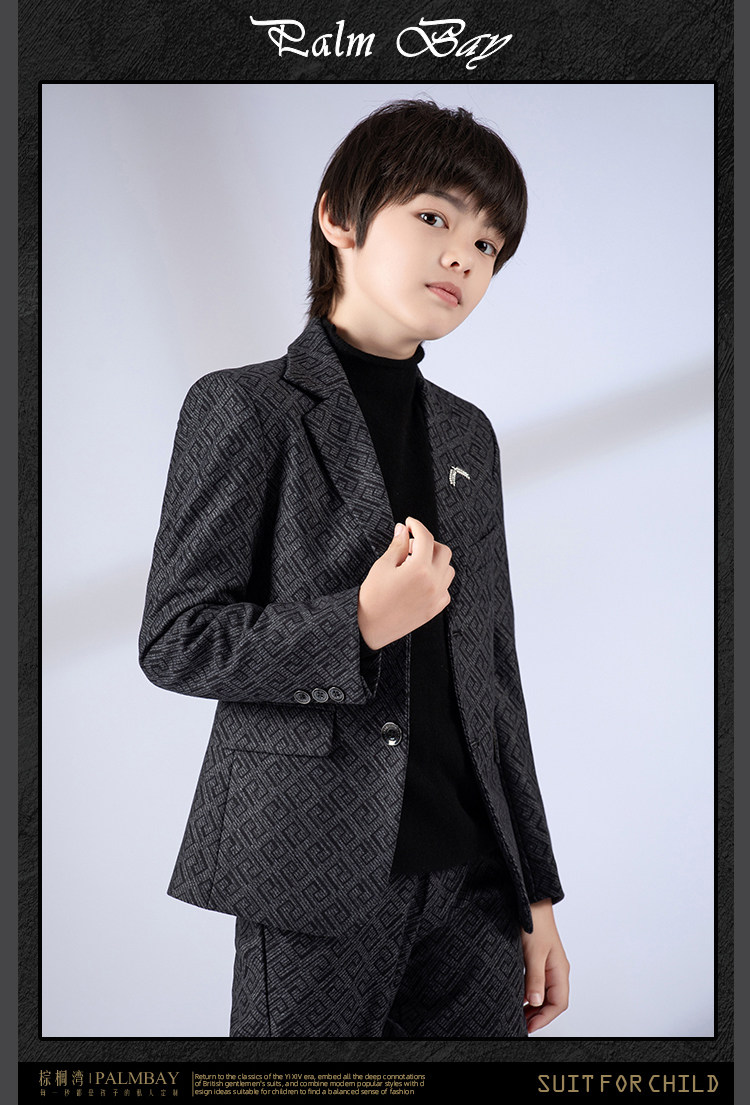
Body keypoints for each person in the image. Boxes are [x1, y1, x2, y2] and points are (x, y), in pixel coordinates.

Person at [139, 98, 569, 1039]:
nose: (464, 256)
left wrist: (535, 890)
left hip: (476, 884)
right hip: (312, 874)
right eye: (434, 216)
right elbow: (176, 639)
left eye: (489, 244)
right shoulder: (244, 407)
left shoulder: (468, 435)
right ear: (339, 216)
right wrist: (359, 623)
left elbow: (494, 676)